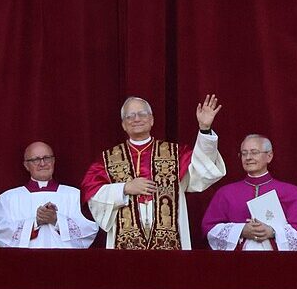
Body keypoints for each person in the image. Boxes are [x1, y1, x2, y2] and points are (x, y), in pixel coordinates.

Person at [81, 96, 226, 249]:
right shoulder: (108, 159)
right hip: (125, 245)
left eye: (142, 114)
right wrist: (124, 188)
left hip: (171, 243)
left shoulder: (176, 154)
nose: (136, 119)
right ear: (123, 125)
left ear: (151, 120)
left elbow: (203, 168)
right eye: (130, 116)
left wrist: (204, 129)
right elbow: (91, 193)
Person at [202, 134, 297, 251]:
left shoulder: (290, 192)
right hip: (236, 264)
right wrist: (241, 230)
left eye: (254, 152)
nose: (248, 157)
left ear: (269, 156)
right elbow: (209, 229)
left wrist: (272, 231)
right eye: (244, 153)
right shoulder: (225, 192)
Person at [0, 141, 97, 249]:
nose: (42, 163)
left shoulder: (75, 196)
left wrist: (57, 220)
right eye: (36, 160)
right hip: (24, 262)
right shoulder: (9, 198)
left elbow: (90, 229)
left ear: (53, 161)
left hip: (65, 261)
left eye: (47, 158)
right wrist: (35, 222)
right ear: (26, 165)